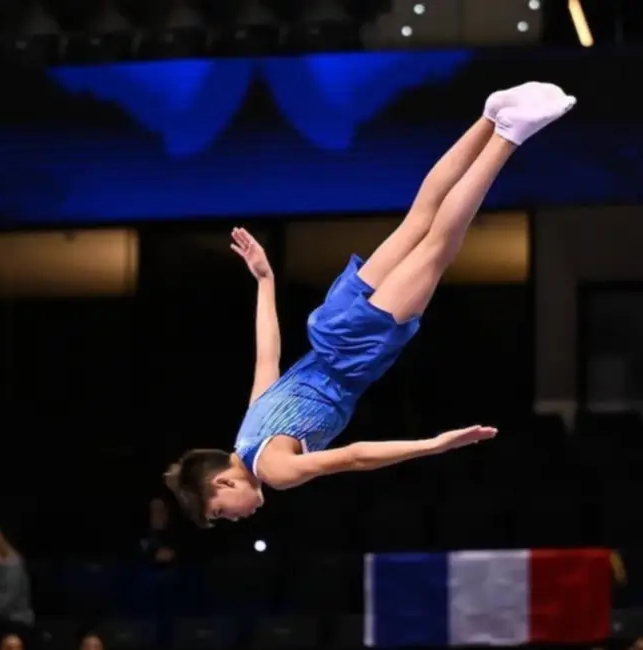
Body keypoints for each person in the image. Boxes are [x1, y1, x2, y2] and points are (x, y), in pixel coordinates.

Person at [165, 82, 576, 526]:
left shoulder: (274, 471)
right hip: (330, 325)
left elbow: (355, 457)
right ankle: (490, 116)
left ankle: (508, 134)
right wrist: (265, 281)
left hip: (352, 354)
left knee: (439, 245)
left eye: (221, 513)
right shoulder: (247, 429)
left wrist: (432, 445)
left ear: (223, 483)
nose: (235, 518)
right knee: (419, 220)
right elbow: (267, 354)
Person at [139, 498, 176, 563]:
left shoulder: (176, 538)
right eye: (154, 511)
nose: (156, 515)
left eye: (160, 511)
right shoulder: (143, 540)